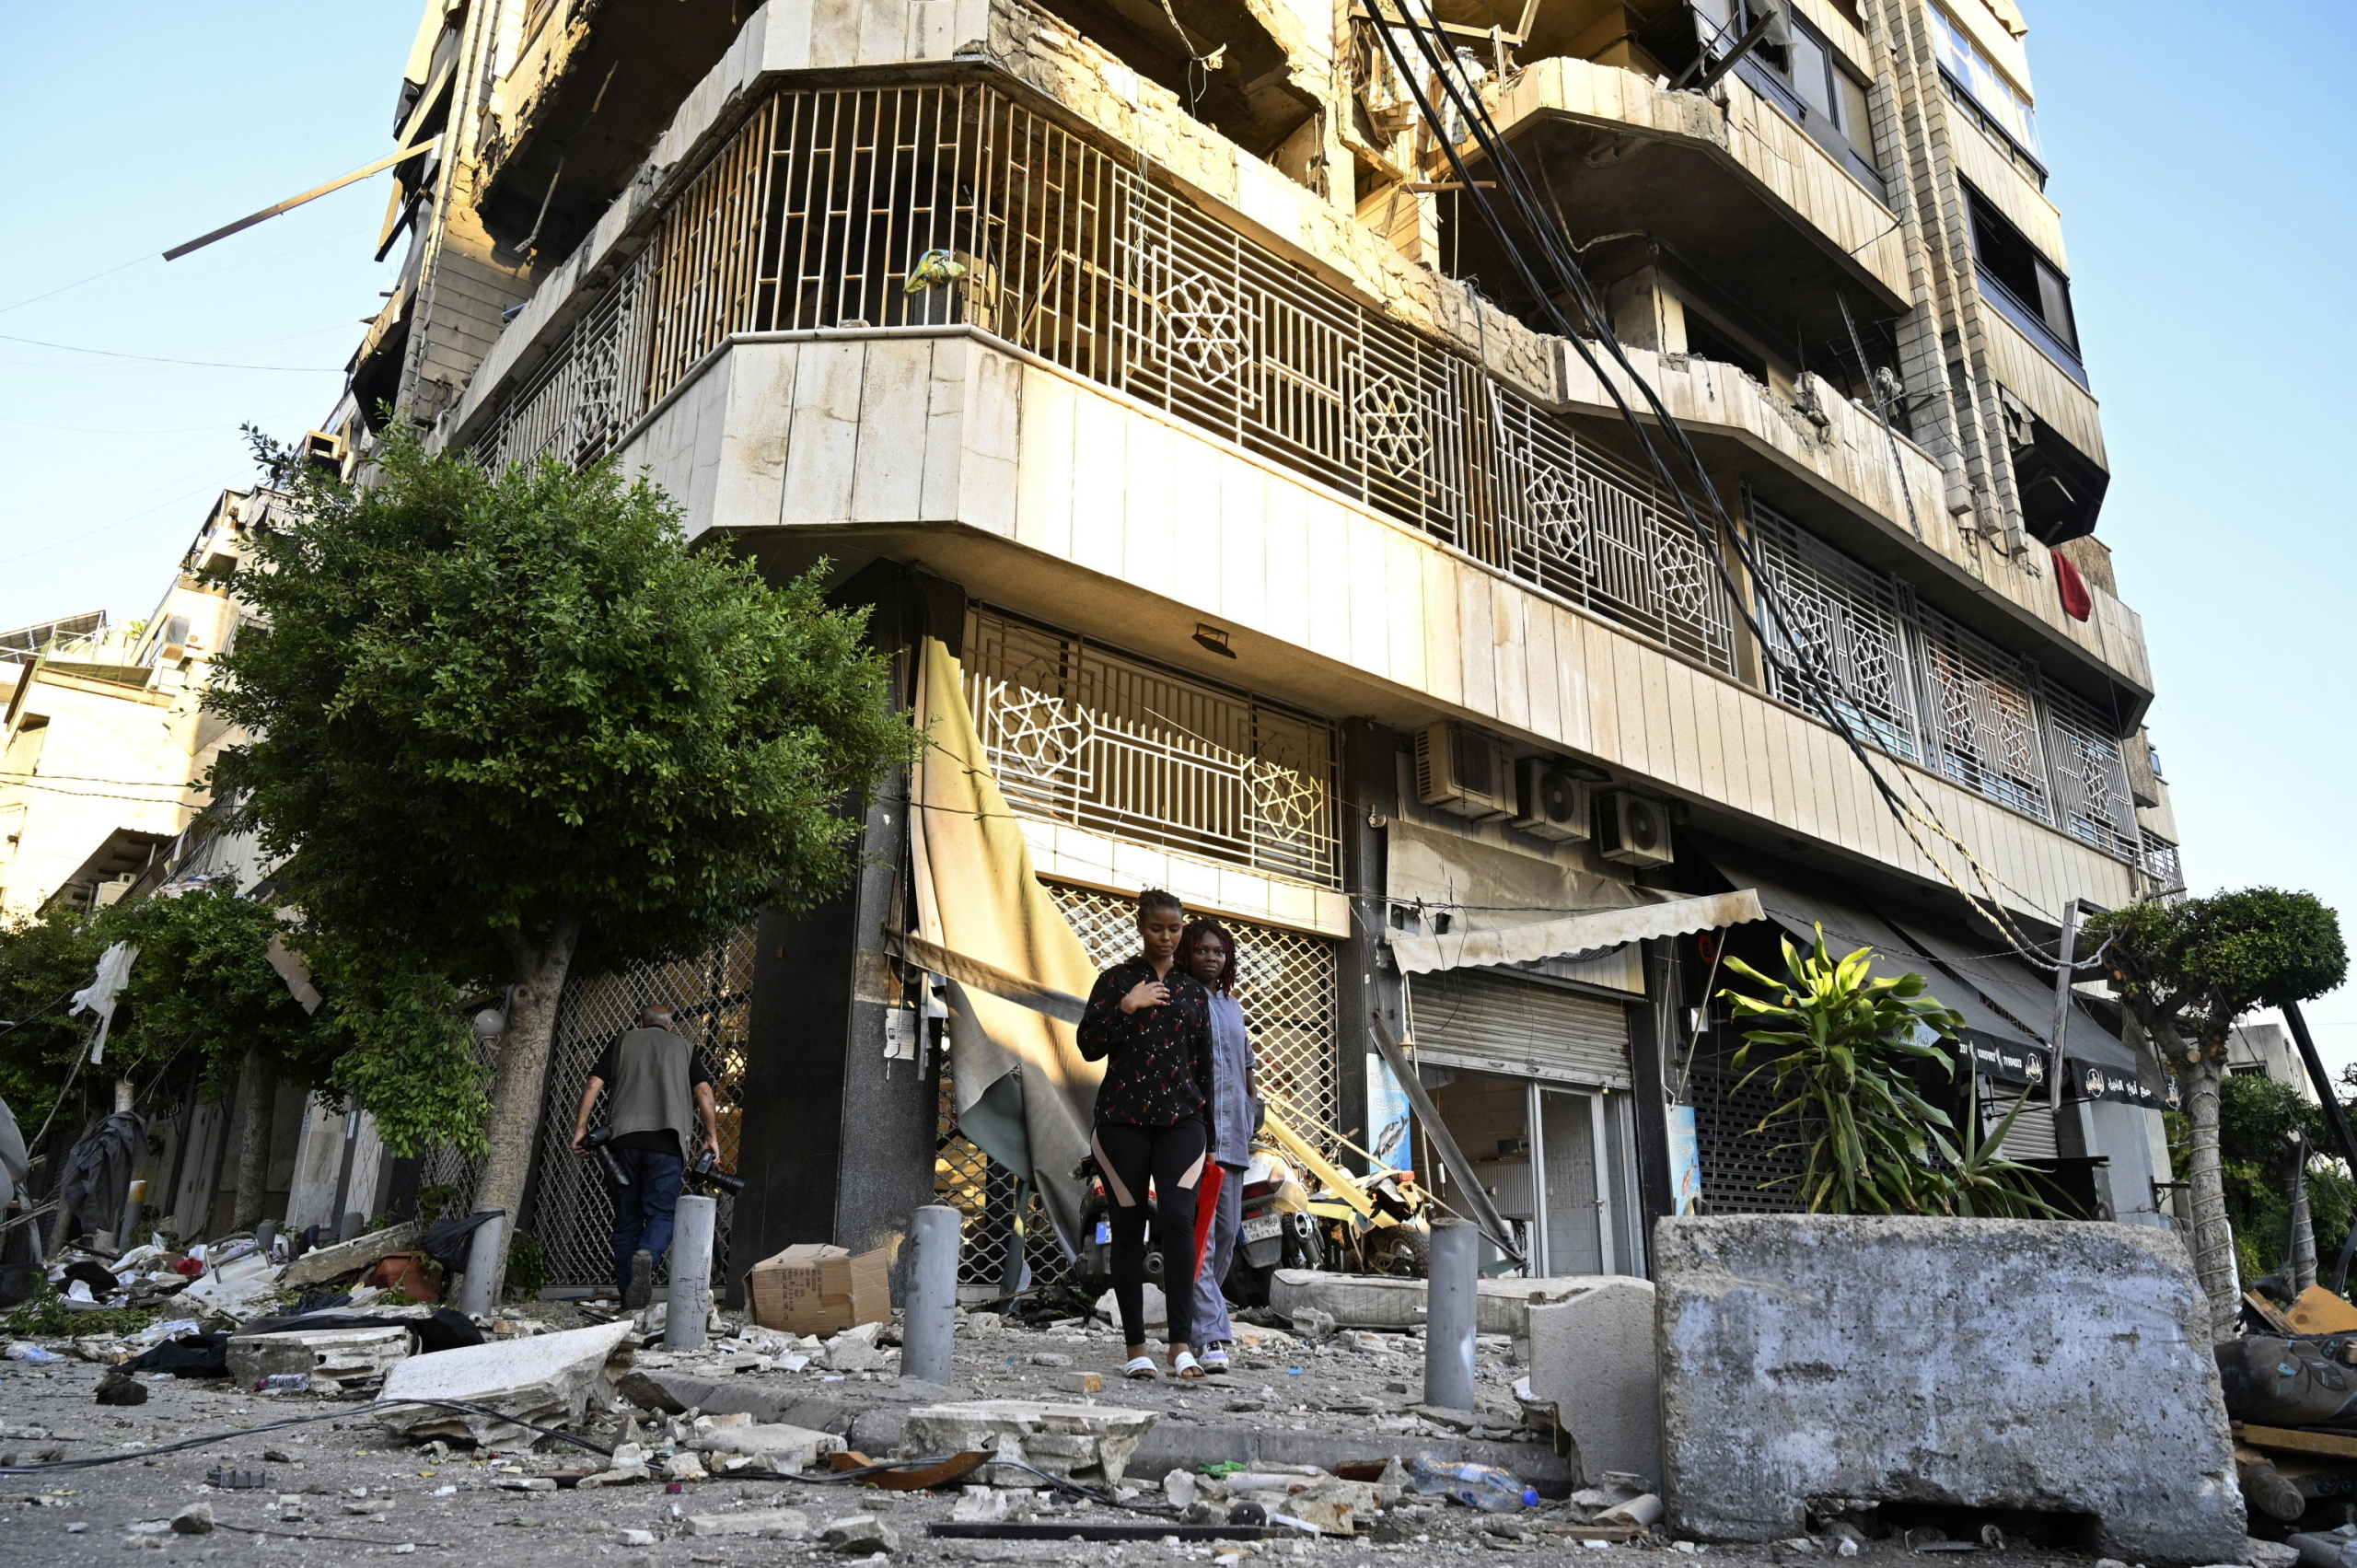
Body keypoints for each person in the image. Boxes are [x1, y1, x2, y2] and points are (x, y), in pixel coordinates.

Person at [1078, 889, 1215, 1380]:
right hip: (1122, 1122)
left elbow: (1204, 1067)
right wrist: (1127, 1007)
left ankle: (1181, 1345)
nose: (1167, 937)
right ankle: (1136, 1348)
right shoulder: (1115, 980)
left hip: (1182, 1122)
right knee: (1129, 1226)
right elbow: (1088, 1046)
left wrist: (1212, 1132)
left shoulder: (1194, 992)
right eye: (1157, 928)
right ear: (1141, 927)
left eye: (1175, 929)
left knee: (1179, 1220)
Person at [571, 1004, 720, 1307]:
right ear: (671, 1026)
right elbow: (704, 1092)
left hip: (622, 1143)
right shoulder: (685, 1048)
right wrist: (711, 1138)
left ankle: (630, 1298)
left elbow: (593, 1084)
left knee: (626, 1221)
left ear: (640, 1023)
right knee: (662, 1214)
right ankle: (649, 1255)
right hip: (667, 1143)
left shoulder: (623, 1040)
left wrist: (580, 1129)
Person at [1178, 916, 1256, 1374]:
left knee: (1226, 1234)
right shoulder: (1182, 998)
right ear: (1188, 951)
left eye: (1219, 952)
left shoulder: (1232, 1004)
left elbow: (1246, 1057)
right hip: (1196, 1135)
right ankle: (1212, 1336)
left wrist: (1253, 1101)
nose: (1212, 957)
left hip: (1236, 1135)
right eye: (1204, 950)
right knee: (1200, 1239)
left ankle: (1190, 1321)